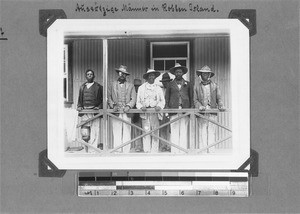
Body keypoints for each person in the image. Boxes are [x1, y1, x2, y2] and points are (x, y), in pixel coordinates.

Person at [194, 65, 225, 153]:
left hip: (212, 111)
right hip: (201, 111)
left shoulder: (215, 86)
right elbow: (195, 100)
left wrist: (221, 105)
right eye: (203, 74)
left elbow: (219, 98)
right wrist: (199, 106)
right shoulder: (196, 86)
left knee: (211, 130)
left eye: (207, 74)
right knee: (202, 130)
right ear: (201, 75)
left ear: (209, 75)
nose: (205, 75)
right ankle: (203, 151)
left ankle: (211, 150)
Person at [165, 63, 193, 153]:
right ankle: (175, 151)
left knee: (183, 130)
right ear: (174, 73)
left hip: (185, 111)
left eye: (180, 72)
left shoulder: (188, 84)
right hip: (173, 110)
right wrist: (167, 111)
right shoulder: (170, 84)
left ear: (183, 73)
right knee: (174, 130)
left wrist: (190, 110)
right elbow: (167, 98)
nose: (178, 73)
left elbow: (191, 98)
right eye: (176, 72)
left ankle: (183, 150)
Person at [108, 65, 136, 153]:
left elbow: (133, 98)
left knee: (127, 130)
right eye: (121, 73)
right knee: (116, 130)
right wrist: (113, 105)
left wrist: (129, 106)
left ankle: (126, 151)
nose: (122, 75)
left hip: (126, 111)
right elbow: (109, 97)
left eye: (124, 74)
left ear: (126, 75)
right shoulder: (112, 84)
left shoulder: (131, 85)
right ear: (118, 74)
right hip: (116, 111)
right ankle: (117, 150)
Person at [136, 69, 165, 153]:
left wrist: (159, 106)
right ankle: (147, 150)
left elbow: (162, 101)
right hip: (145, 113)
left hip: (155, 113)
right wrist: (141, 107)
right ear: (147, 77)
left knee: (155, 131)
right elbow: (138, 102)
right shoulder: (141, 88)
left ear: (155, 77)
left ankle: (154, 150)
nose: (151, 77)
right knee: (146, 131)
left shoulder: (158, 88)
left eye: (153, 75)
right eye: (150, 75)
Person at [77, 69, 103, 153]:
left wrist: (99, 106)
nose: (89, 75)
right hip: (85, 112)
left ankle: (93, 150)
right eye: (88, 74)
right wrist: (80, 106)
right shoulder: (82, 87)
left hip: (94, 112)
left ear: (94, 76)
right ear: (86, 76)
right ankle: (86, 150)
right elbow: (79, 100)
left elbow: (103, 100)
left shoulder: (99, 87)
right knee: (85, 132)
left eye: (91, 74)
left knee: (95, 131)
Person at [159, 72, 173, 152]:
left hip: (170, 111)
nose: (165, 83)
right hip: (162, 112)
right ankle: (163, 145)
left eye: (167, 81)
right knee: (163, 129)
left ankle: (170, 146)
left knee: (170, 130)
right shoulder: (161, 90)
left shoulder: (172, 89)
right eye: (164, 82)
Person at [131, 79, 143, 152]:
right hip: (135, 115)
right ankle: (138, 146)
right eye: (135, 86)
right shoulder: (132, 93)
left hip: (143, 114)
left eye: (138, 86)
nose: (137, 87)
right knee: (137, 131)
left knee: (145, 130)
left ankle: (145, 146)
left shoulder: (142, 92)